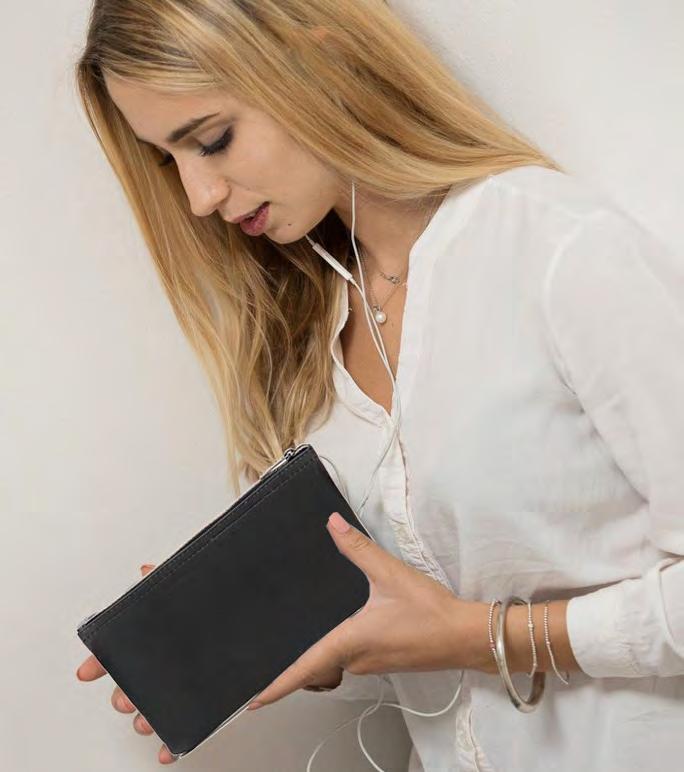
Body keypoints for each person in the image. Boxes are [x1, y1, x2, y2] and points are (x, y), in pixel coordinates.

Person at [73, 1, 684, 770]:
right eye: (171, 161)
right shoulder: (306, 332)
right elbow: (418, 633)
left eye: (213, 139)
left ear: (319, 63)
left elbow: (457, 634)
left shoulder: (558, 250)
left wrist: (483, 637)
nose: (198, 197)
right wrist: (306, 637)